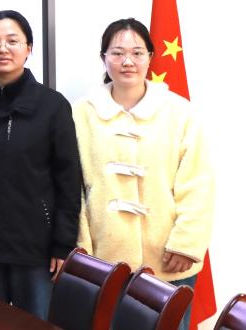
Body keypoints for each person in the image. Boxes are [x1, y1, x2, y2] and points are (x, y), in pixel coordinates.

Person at [73, 18, 213, 330]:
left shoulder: (180, 112)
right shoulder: (81, 113)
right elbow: (72, 187)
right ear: (103, 58)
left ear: (150, 57)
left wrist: (186, 243)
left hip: (168, 255)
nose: (128, 62)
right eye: (117, 53)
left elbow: (199, 183)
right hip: (104, 258)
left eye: (137, 53)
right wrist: (83, 251)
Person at [0, 9, 80, 319]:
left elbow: (68, 179)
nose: (3, 49)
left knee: (35, 325)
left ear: (29, 48)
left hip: (35, 250)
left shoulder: (52, 105)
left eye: (12, 41)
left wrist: (63, 244)